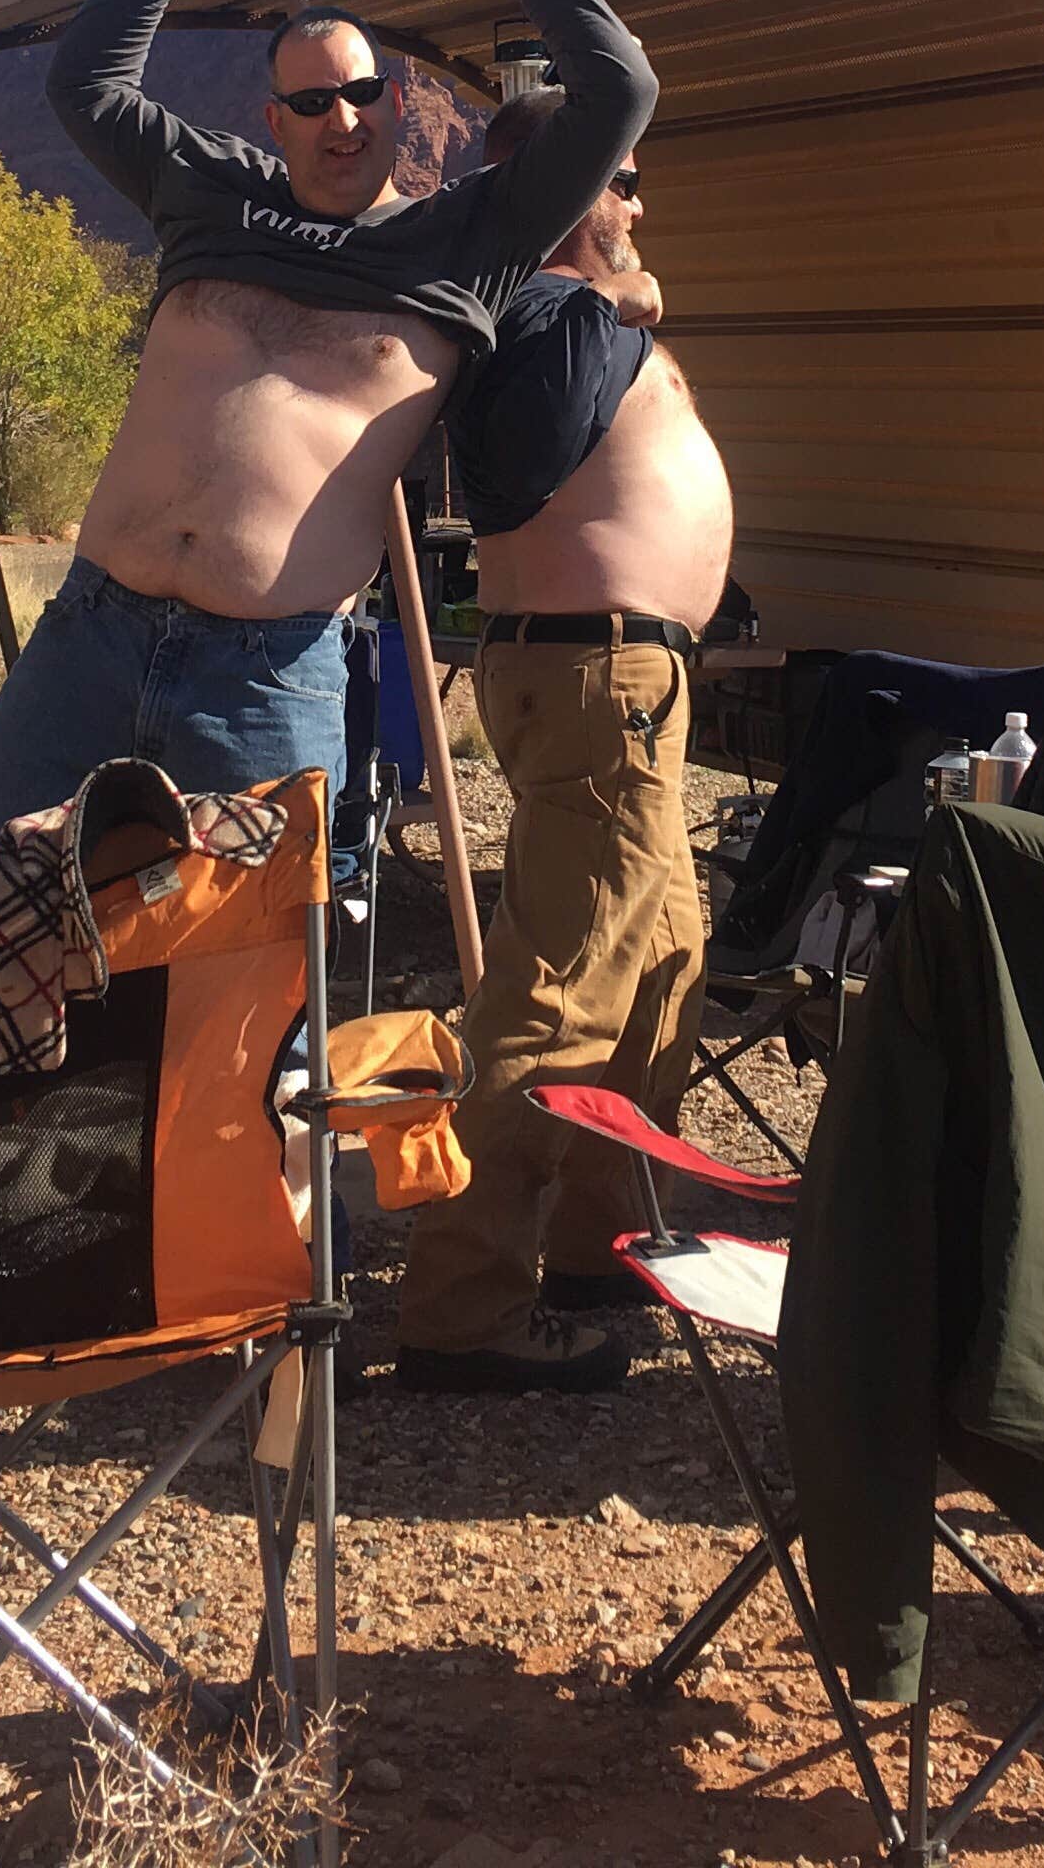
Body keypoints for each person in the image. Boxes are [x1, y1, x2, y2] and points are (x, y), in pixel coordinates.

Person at [0, 0, 655, 829]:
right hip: (91, 638)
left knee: (246, 971)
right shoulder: (207, 188)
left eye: (362, 94)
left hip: (266, 680)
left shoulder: (467, 238)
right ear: (276, 122)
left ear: (396, 104)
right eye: (312, 101)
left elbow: (624, 89)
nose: (343, 120)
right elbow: (85, 85)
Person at [392, 100, 733, 1395]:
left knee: (664, 965)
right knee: (560, 985)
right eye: (623, 179)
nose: (640, 204)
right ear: (559, 186)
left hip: (623, 679)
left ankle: (604, 1245)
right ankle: (464, 1301)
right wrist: (615, 299)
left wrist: (626, 299)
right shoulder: (534, 311)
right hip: (598, 682)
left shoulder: (562, 312)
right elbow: (537, 421)